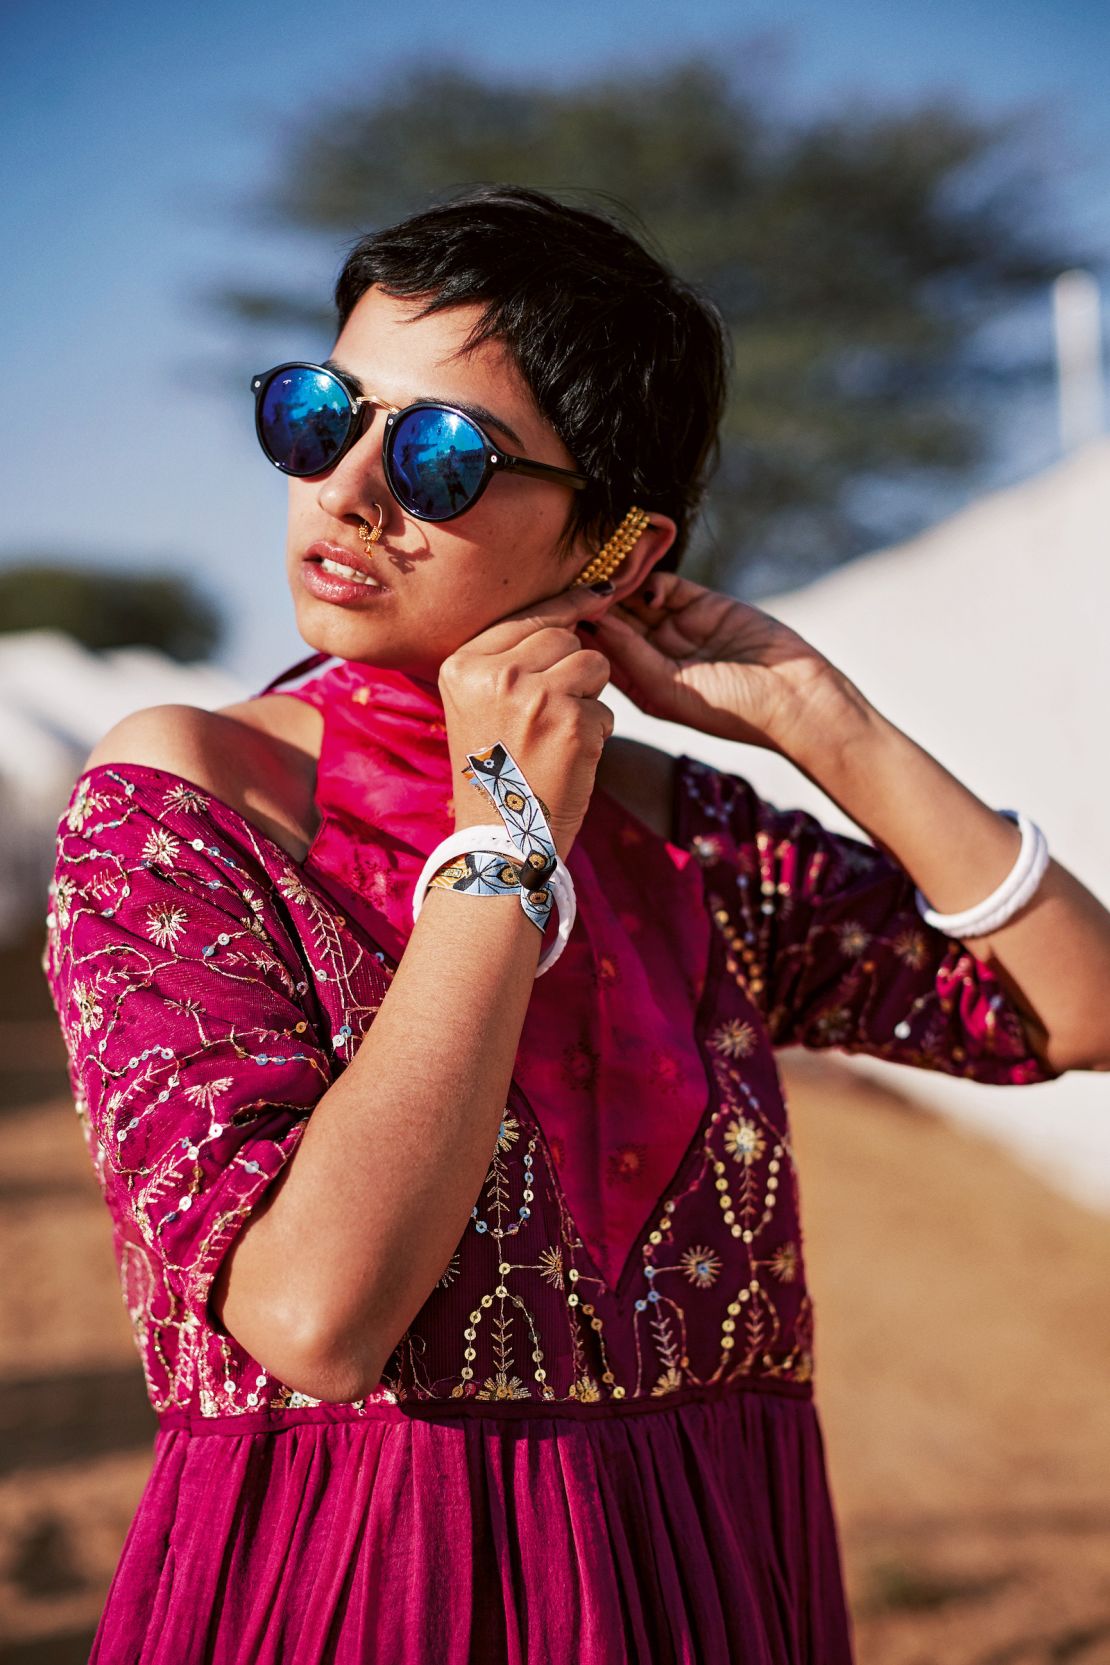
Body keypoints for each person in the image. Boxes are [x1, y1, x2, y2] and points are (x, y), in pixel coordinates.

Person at [43, 185, 1110, 1665]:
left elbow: (1073, 1006)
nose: (349, 488)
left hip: (708, 1582)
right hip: (356, 1592)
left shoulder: (683, 837)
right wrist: (500, 847)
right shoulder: (186, 798)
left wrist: (821, 718)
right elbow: (313, 1315)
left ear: (611, 552)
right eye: (318, 413)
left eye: (438, 454)